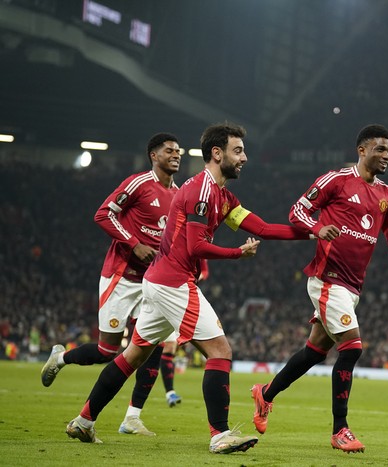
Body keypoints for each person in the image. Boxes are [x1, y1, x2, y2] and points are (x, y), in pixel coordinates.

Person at [61, 122, 311, 454]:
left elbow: (262, 228)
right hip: (173, 282)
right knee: (220, 351)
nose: (245, 158)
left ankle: (84, 421)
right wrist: (237, 253)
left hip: (157, 280)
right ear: (217, 153)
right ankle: (220, 434)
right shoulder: (202, 191)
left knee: (132, 355)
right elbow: (194, 246)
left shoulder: (222, 195)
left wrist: (313, 231)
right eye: (238, 151)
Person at [251, 124, 388, 453]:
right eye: (380, 149)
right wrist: (319, 228)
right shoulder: (335, 180)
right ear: (362, 150)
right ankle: (340, 429)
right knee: (351, 348)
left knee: (314, 352)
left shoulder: (387, 196)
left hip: (352, 286)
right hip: (327, 278)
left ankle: (265, 394)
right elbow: (298, 211)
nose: (387, 156)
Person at [41, 133, 185, 436]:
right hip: (122, 276)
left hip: (153, 282)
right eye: (169, 150)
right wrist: (133, 244)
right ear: (153, 156)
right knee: (108, 350)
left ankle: (132, 417)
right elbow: (103, 213)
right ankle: (61, 357)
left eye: (178, 151)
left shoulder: (180, 193)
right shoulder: (138, 184)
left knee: (152, 346)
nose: (176, 155)